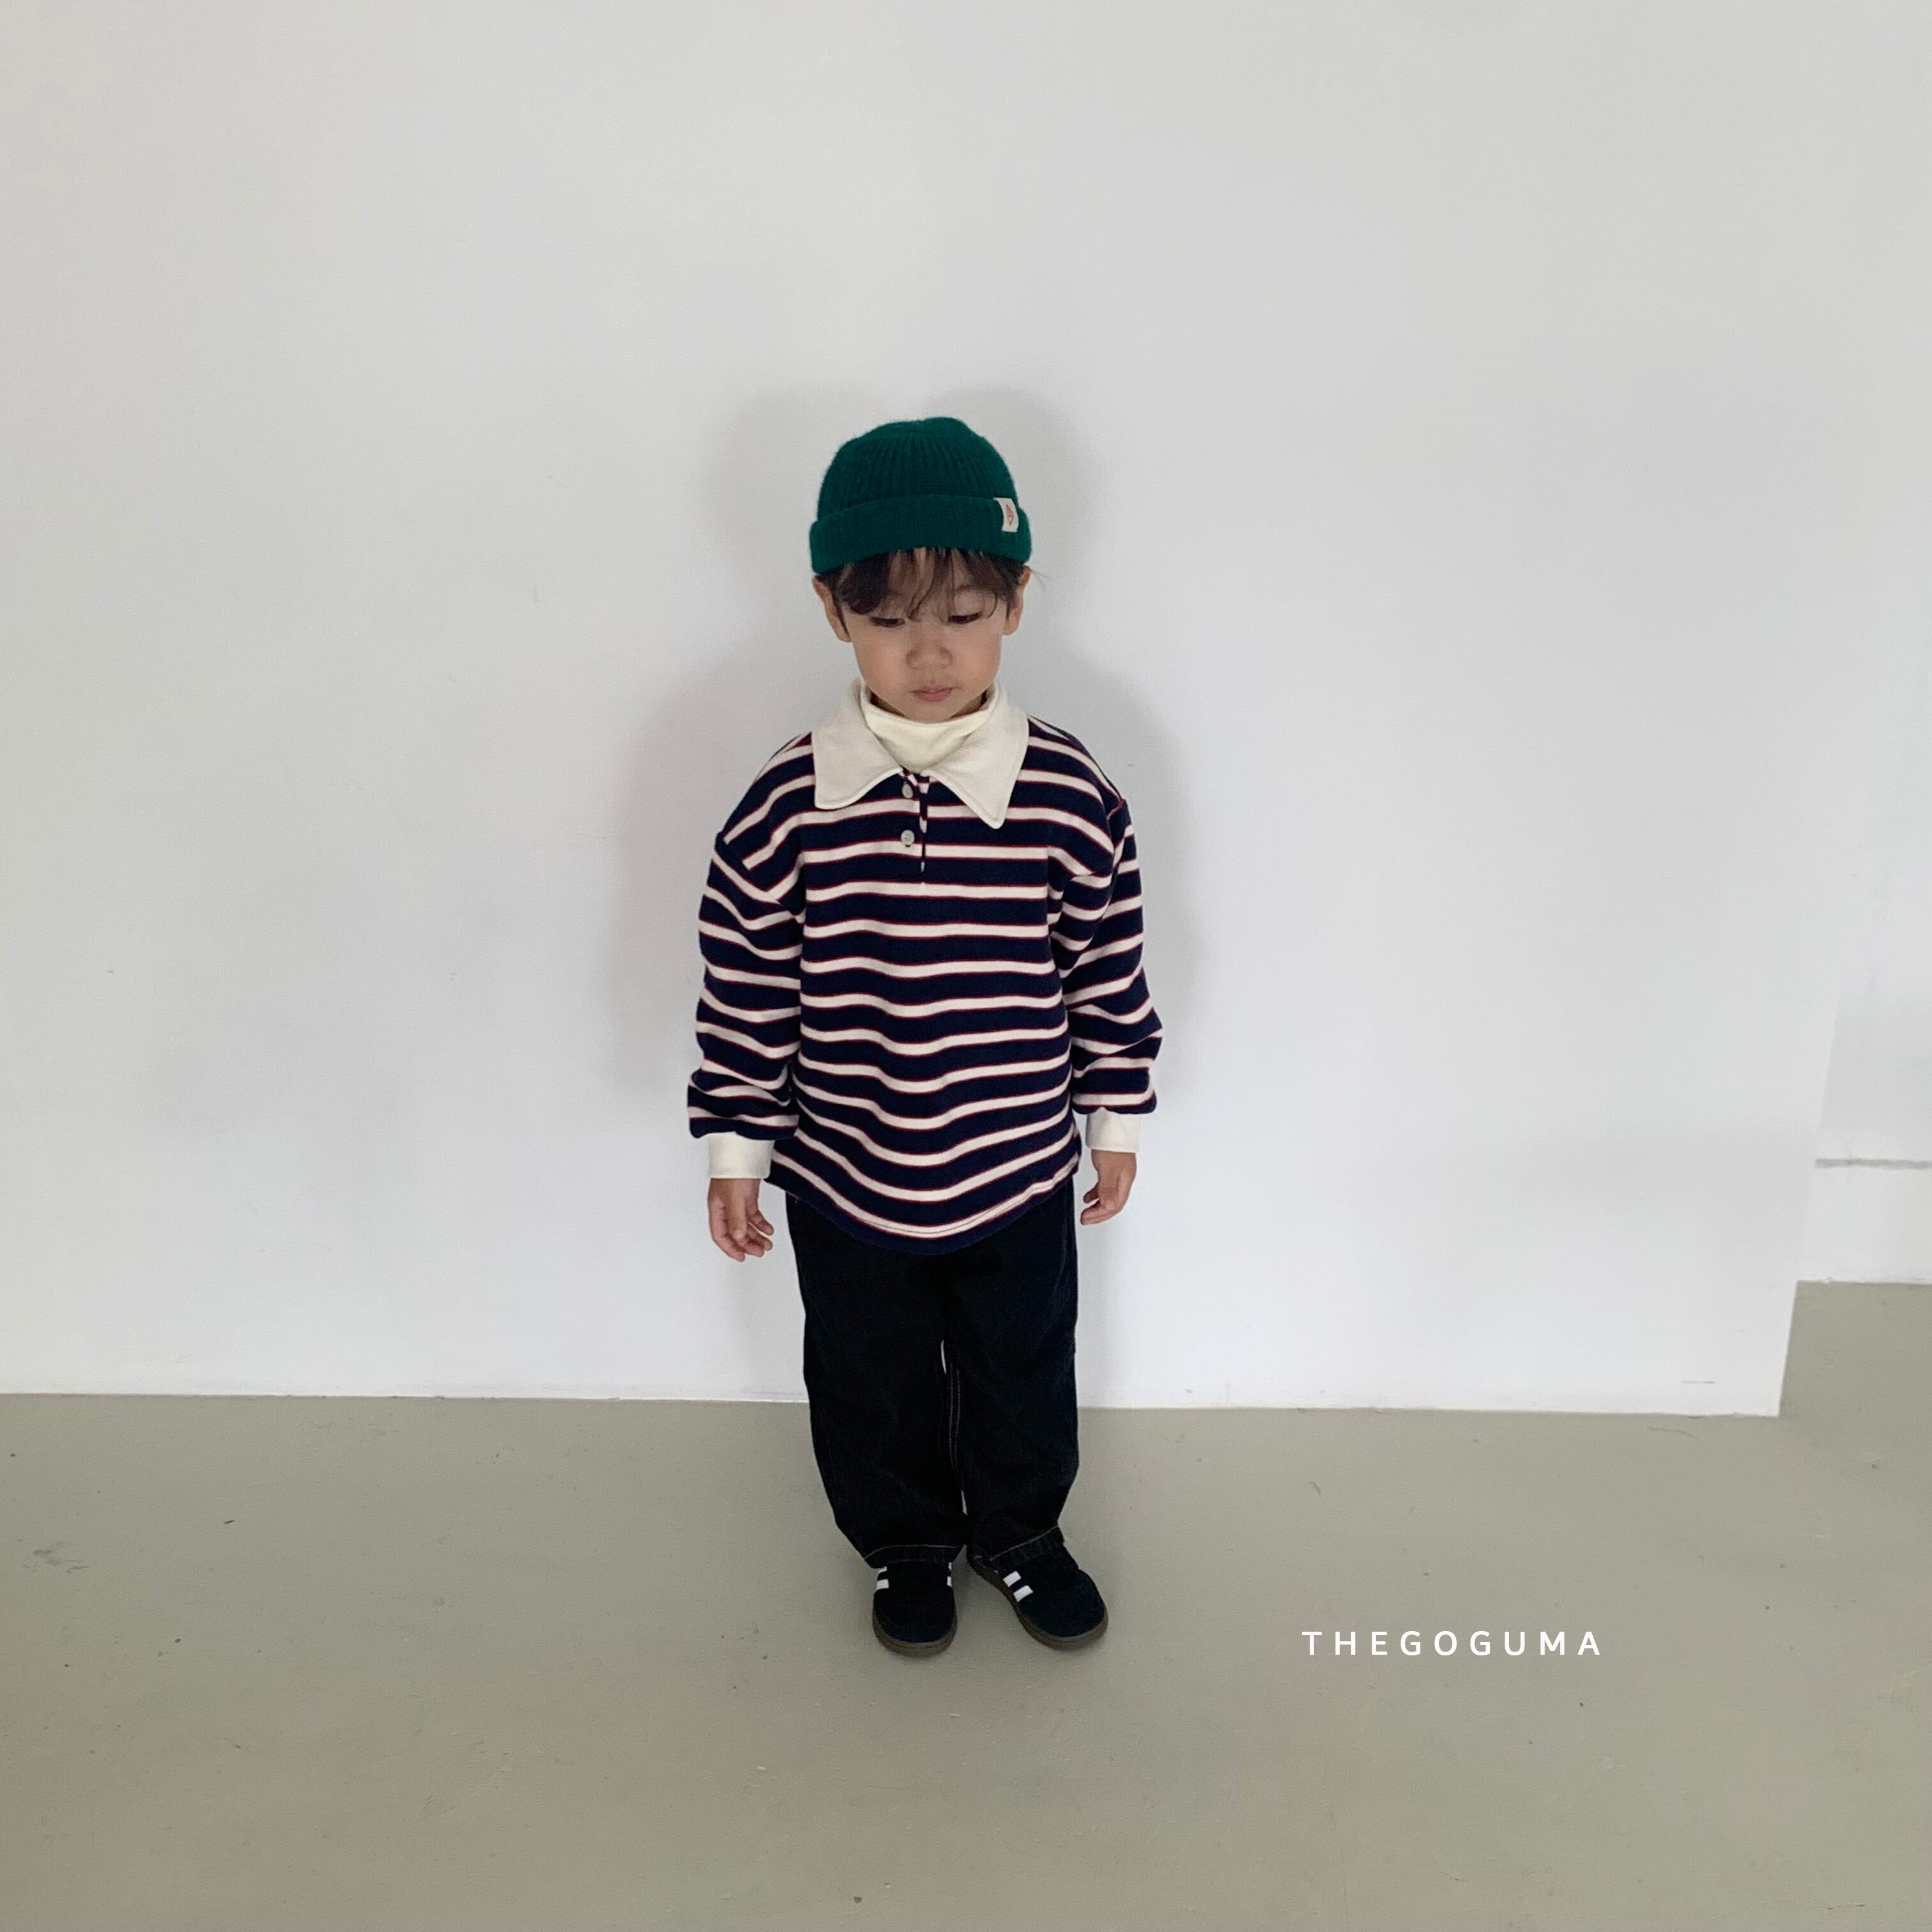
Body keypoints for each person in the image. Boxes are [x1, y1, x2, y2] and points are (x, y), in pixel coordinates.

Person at [686, 415, 1163, 1657]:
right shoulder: (787, 804)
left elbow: (1105, 968)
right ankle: (904, 1542)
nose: (930, 650)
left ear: (1015, 600)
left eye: (963, 611)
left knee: (1022, 1369)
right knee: (869, 1380)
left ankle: (1021, 1533)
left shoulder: (1068, 793)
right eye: (890, 617)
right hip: (847, 1174)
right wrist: (737, 1147)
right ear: (832, 611)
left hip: (1015, 1165)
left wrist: (1114, 1118)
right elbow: (746, 985)